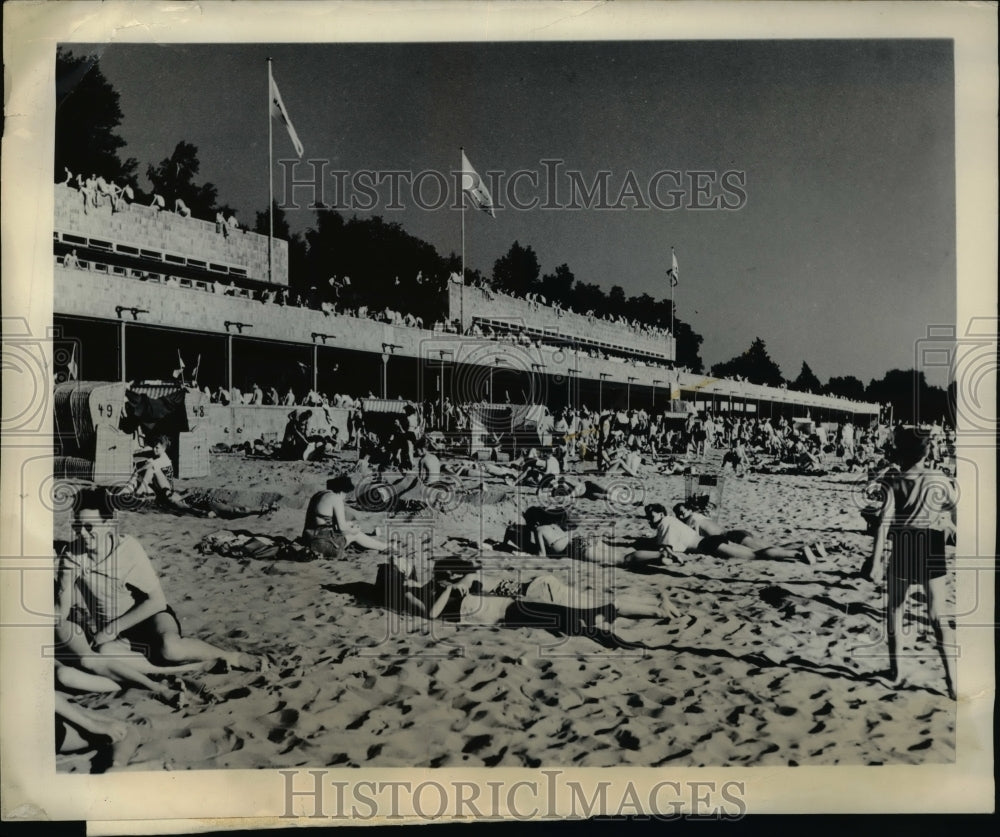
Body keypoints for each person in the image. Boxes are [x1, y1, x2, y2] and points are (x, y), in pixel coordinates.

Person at [57, 490, 264, 671]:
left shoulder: (128, 549)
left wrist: (110, 629)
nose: (82, 534)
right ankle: (176, 670)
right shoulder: (72, 556)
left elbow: (157, 601)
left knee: (170, 649)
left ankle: (233, 657)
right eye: (77, 526)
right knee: (105, 653)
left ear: (109, 524)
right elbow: (62, 610)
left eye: (89, 527)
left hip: (148, 617)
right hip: (116, 635)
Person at [861, 426, 957, 699]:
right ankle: (952, 681)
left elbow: (884, 523)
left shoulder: (895, 480)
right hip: (931, 543)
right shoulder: (937, 478)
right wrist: (947, 523)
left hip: (904, 543)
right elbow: (955, 509)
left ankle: (897, 672)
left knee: (895, 610)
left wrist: (876, 560)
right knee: (938, 615)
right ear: (927, 451)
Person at [376, 556, 677, 639]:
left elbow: (468, 583)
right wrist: (453, 586)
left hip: (537, 592)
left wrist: (458, 584)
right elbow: (428, 605)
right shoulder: (445, 586)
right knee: (598, 605)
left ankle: (657, 609)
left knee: (598, 608)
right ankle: (656, 607)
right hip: (534, 591)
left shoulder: (460, 582)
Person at [672, 503, 815, 564]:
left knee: (762, 552)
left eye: (682, 512)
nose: (680, 516)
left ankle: (799, 554)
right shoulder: (699, 515)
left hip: (730, 537)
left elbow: (693, 538)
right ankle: (812, 548)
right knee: (772, 546)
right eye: (678, 514)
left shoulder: (691, 520)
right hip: (736, 533)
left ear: (689, 511)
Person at [301, 474, 388, 557]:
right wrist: (354, 530)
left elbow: (324, 523)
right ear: (342, 491)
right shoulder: (336, 498)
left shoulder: (318, 495)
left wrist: (348, 525)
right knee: (355, 535)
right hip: (320, 543)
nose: (345, 496)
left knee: (350, 526)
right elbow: (341, 528)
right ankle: (384, 547)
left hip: (307, 539)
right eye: (346, 493)